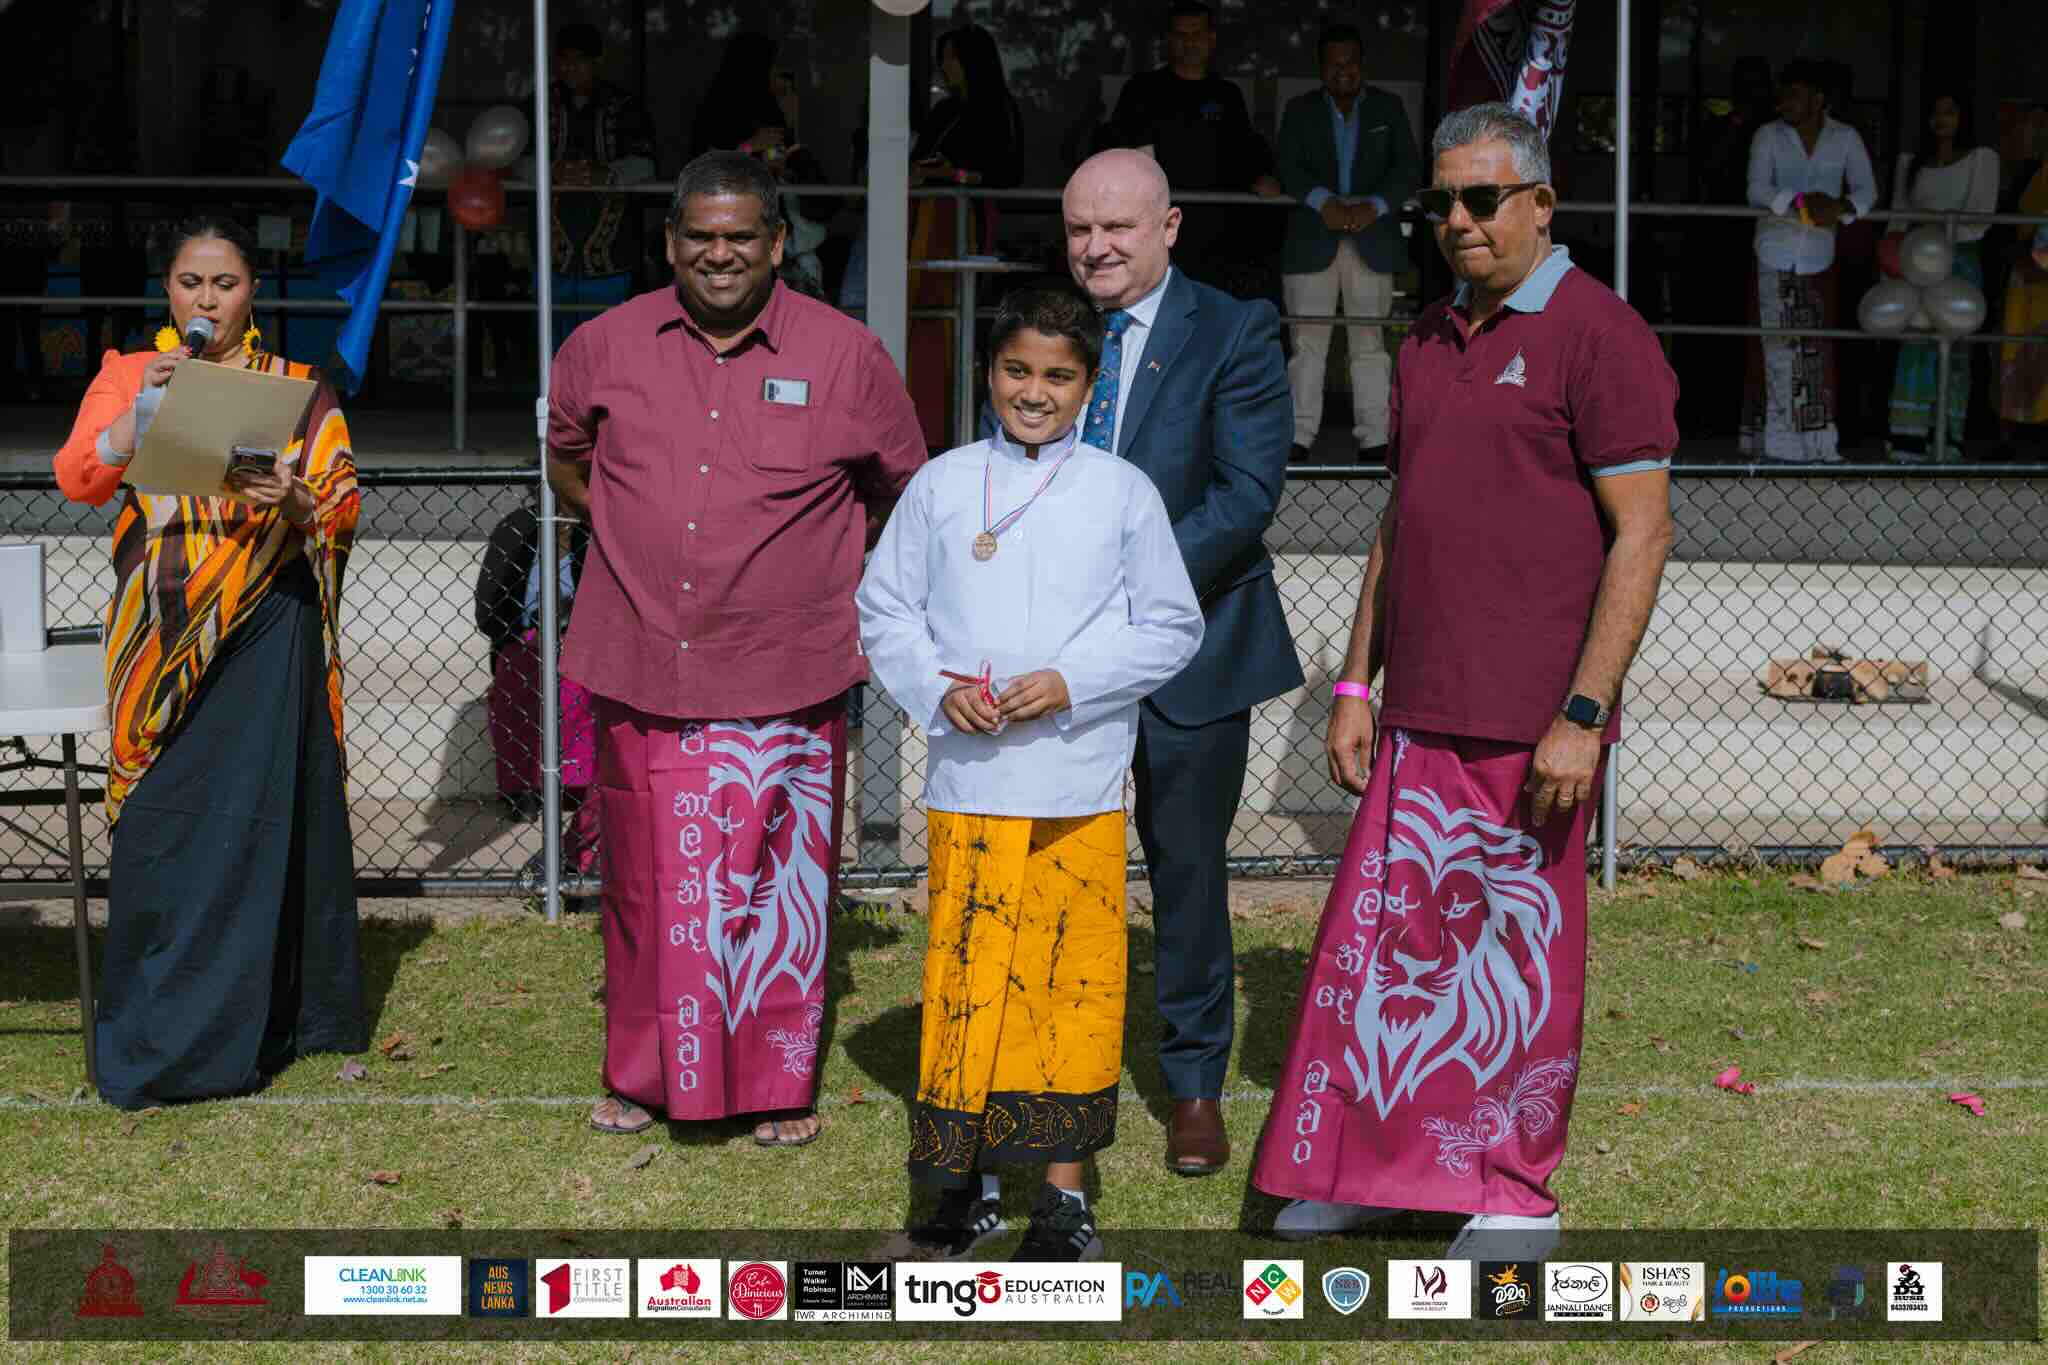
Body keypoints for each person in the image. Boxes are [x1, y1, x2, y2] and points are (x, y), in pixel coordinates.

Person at [1250, 104, 1676, 1259]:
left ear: (1541, 203)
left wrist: (1581, 715)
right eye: (1439, 201)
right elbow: (1403, 518)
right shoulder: (1429, 336)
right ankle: (1364, 1169)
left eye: (1480, 200)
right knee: (1383, 951)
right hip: (1416, 715)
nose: (1454, 221)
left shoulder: (1602, 335)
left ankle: (1507, 1194)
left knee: (1511, 964)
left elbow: (1642, 535)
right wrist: (1352, 683)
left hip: (1533, 721)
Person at [546, 151, 926, 1146]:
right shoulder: (602, 343)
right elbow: (565, 456)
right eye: (700, 237)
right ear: (671, 242)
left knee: (776, 887)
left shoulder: (846, 355)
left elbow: (903, 488)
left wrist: (814, 565)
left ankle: (772, 1083)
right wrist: (627, 537)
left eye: (740, 237)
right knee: (642, 885)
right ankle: (640, 1077)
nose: (720, 255)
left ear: (775, 243)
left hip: (784, 672)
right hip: (639, 658)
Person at [858, 282, 1203, 1261]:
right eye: (1017, 370)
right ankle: (949, 1196)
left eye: (1057, 376)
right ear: (988, 373)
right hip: (968, 785)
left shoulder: (1119, 490)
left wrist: (1070, 683)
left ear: (1090, 387)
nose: (1035, 392)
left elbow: (1170, 625)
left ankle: (1061, 1202)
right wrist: (934, 689)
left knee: (1069, 990)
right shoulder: (939, 483)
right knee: (966, 983)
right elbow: (884, 608)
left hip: (1074, 787)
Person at [1025, 148, 1301, 1176]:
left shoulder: (1234, 328)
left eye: (1117, 228)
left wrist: (1111, 588)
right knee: (1066, 873)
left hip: (1192, 654)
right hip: (1058, 667)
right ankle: (1063, 1074)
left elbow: (1243, 494)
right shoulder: (1048, 335)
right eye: (1078, 229)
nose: (1094, 247)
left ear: (1168, 226)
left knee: (1187, 876)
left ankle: (1191, 1088)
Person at [51, 215, 367, 1109]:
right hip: (156, 639)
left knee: (254, 825)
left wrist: (298, 498)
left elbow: (342, 508)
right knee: (158, 829)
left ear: (251, 294)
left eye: (223, 285)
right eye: (191, 283)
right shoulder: (124, 373)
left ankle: (254, 1031)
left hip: (268, 627)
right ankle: (154, 1030)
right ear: (168, 291)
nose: (206, 301)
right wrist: (135, 420)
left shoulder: (298, 390)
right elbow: (77, 475)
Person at [1273, 24, 1422, 463]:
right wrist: (1324, 204)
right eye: (1334, 63)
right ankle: (1298, 439)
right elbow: (1287, 166)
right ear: (1321, 67)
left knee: (1369, 343)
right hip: (1312, 238)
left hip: (1371, 237)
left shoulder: (1388, 108)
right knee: (1307, 344)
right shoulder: (1300, 110)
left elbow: (1408, 169)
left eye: (1351, 62)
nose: (1344, 70)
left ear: (1362, 65)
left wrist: (1373, 206)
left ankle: (1375, 440)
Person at [1740, 60, 1876, 463]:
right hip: (1774, 252)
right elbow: (1756, 189)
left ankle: (1816, 445)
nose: (1784, 103)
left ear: (1818, 100)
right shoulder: (1768, 135)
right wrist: (1801, 205)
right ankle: (1775, 444)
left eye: (1794, 94)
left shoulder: (1845, 138)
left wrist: (1842, 210)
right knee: (1776, 347)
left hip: (1819, 257)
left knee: (1814, 353)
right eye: (1782, 95)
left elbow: (1867, 191)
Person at [1100, 3, 1278, 294]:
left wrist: (1262, 178)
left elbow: (1247, 154)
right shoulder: (1143, 90)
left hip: (1218, 237)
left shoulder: (1227, 95)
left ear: (1211, 39)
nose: (1189, 42)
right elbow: (1123, 154)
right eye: (1181, 34)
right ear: (1168, 40)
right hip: (1155, 231)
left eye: (1197, 34)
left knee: (1209, 322)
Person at [905, 23, 1025, 445]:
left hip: (968, 230)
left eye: (952, 58)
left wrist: (954, 175)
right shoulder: (944, 112)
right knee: (923, 326)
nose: (945, 66)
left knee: (962, 328)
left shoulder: (998, 109)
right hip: (923, 228)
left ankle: (961, 430)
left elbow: (1008, 176)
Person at [474, 497, 601, 877]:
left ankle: (574, 785)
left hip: (576, 636)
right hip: (523, 634)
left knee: (578, 693)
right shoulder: (517, 527)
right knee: (516, 689)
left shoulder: (591, 529)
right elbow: (491, 598)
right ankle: (522, 789)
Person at [1885, 94, 1998, 462]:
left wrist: (1933, 226)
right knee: (1915, 343)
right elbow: (1899, 217)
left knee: (1954, 346)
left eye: (1950, 110)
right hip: (1914, 261)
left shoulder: (1983, 158)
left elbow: (1980, 219)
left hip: (1959, 260)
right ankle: (1907, 437)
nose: (1940, 118)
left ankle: (1948, 437)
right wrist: (1889, 265)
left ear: (1965, 116)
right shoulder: (1910, 162)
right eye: (1934, 111)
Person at [688, 33, 836, 298]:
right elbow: (702, 165)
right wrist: (748, 148)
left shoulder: (772, 107)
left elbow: (792, 155)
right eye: (772, 67)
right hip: (735, 228)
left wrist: (790, 118)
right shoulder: (718, 110)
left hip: (781, 232)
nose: (776, 75)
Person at [539, 23, 657, 345]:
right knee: (557, 345)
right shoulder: (541, 104)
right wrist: (551, 171)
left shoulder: (624, 106)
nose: (570, 68)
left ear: (597, 61)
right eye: (564, 60)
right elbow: (515, 158)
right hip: (554, 255)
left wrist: (602, 174)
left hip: (610, 253)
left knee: (607, 345)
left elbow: (645, 164)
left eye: (579, 60)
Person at [1999, 106, 2048, 442]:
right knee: (2015, 355)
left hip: (2043, 276)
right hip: (2024, 277)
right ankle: (2013, 437)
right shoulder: (2029, 173)